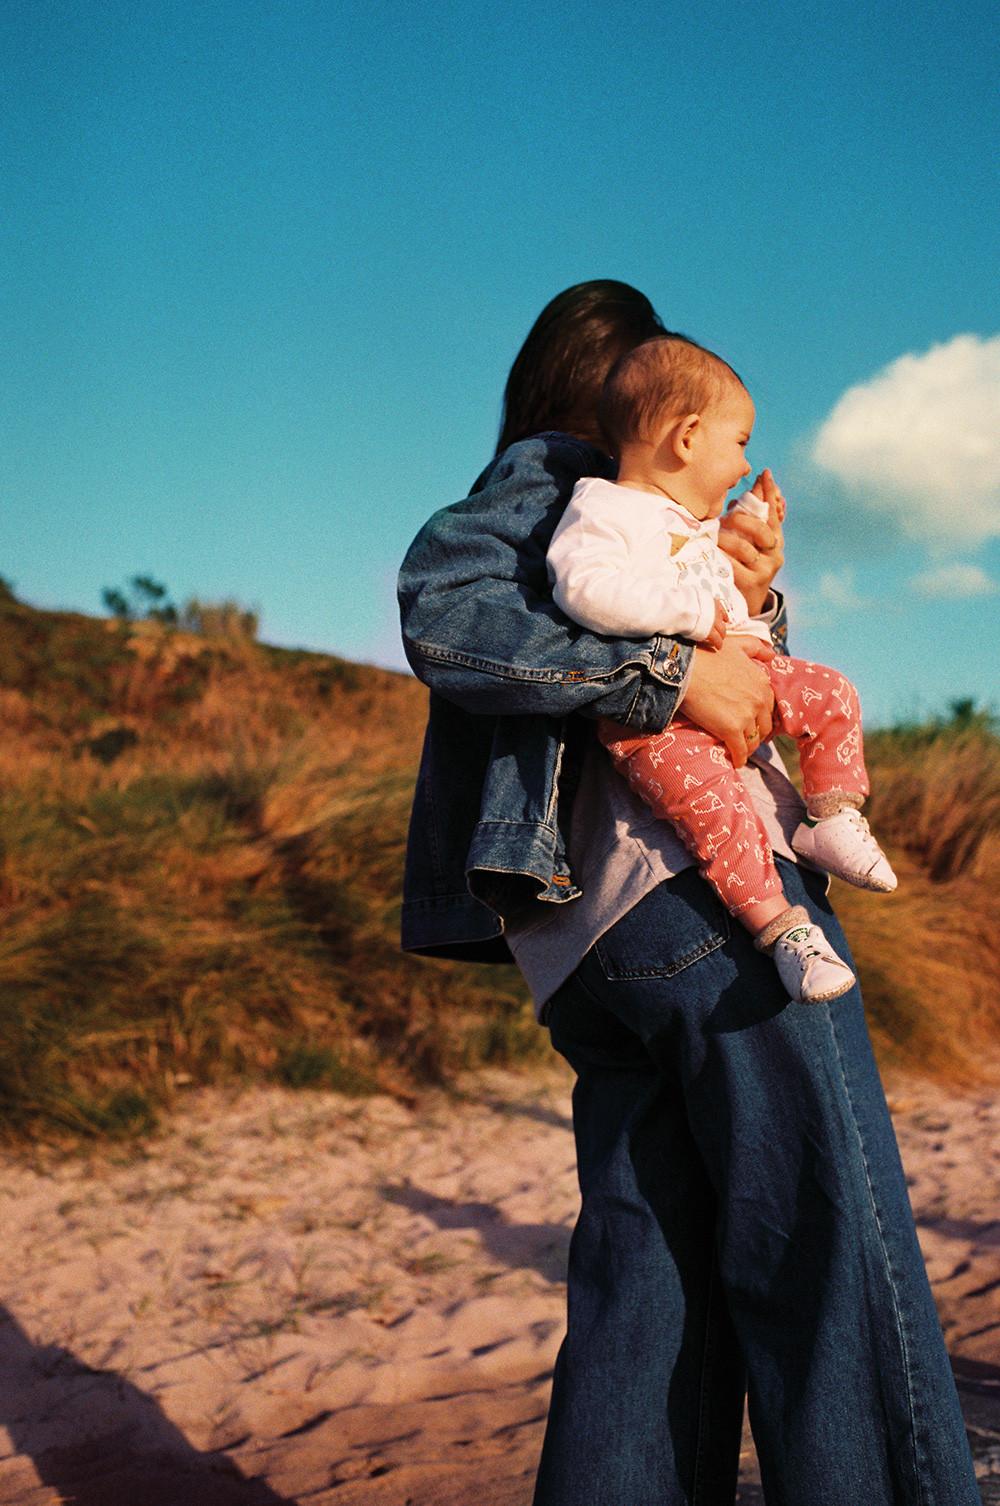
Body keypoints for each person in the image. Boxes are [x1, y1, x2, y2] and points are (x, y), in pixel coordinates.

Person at [397, 281, 979, 1503]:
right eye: (718, 434)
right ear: (631, 399)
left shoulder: (595, 513)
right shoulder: (561, 476)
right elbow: (444, 616)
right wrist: (671, 674)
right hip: (692, 900)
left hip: (584, 948)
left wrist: (749, 596)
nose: (731, 458)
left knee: (647, 1278)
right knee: (831, 1241)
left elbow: (689, 651)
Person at [546, 334, 897, 1006]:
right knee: (719, 815)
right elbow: (582, 590)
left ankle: (831, 816)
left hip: (744, 666)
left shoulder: (690, 521)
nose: (742, 462)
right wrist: (686, 611)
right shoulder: (604, 509)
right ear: (687, 437)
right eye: (738, 443)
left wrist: (752, 541)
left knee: (831, 692)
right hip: (656, 722)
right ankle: (783, 931)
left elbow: (724, 588)